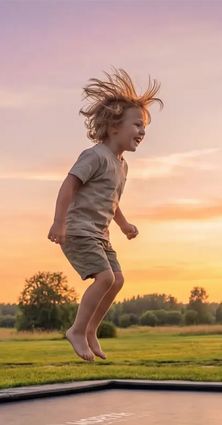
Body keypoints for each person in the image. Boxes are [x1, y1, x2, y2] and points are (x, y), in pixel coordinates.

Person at [47, 68, 163, 361]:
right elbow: (69, 185)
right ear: (114, 126)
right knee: (104, 278)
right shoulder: (95, 156)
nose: (142, 132)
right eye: (137, 124)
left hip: (100, 234)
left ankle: (90, 331)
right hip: (77, 230)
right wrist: (59, 222)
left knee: (117, 280)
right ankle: (76, 330)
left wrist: (124, 225)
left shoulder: (121, 165)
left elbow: (111, 201)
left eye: (144, 127)